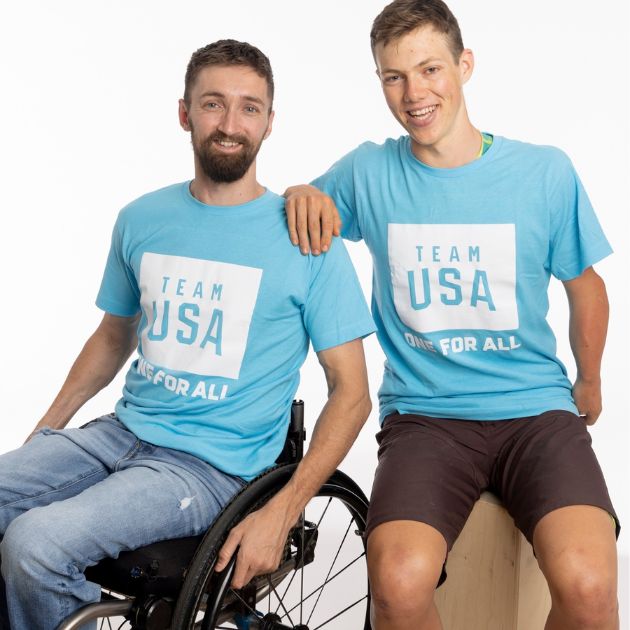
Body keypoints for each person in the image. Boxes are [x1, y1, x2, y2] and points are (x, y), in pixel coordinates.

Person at [0, 39, 375, 630]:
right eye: (213, 104)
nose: (231, 124)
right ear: (184, 112)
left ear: (270, 123)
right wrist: (46, 432)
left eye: (250, 108)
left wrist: (283, 511)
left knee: (35, 543)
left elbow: (352, 393)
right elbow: (112, 336)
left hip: (207, 467)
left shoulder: (307, 241)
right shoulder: (142, 219)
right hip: (118, 434)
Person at [284, 1, 620, 628]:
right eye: (393, 76)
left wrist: (590, 379)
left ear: (464, 65)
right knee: (397, 580)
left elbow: (586, 286)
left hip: (536, 412)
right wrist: (302, 190)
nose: (414, 93)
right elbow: (302, 217)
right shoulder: (368, 171)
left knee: (591, 584)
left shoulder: (543, 171)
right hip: (425, 419)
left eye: (430, 69)